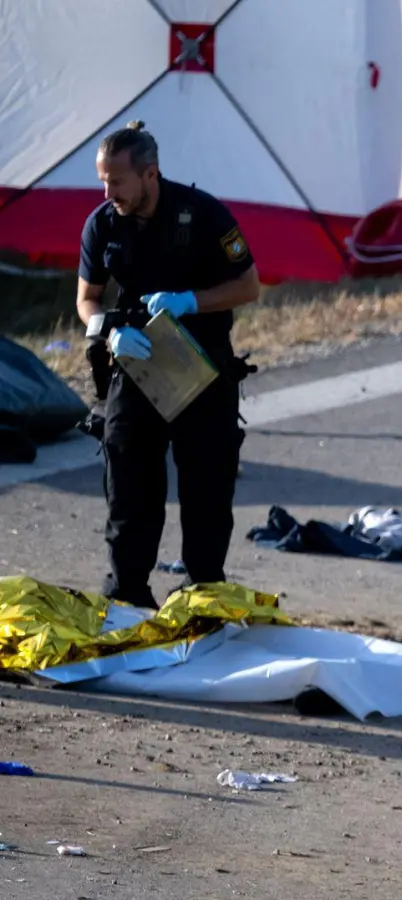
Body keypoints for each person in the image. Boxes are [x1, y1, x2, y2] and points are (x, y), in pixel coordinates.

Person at [76, 120, 262, 609]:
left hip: (202, 367)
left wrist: (187, 302)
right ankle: (129, 597)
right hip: (135, 366)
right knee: (129, 486)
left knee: (206, 490)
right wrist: (108, 331)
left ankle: (202, 596)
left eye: (116, 181)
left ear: (149, 174)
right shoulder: (102, 225)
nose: (107, 190)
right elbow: (87, 299)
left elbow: (248, 286)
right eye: (102, 180)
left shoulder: (202, 215)